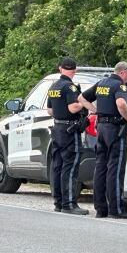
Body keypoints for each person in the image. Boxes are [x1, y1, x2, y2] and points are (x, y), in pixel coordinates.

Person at [78, 62, 127, 219]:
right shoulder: (119, 86)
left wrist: (96, 111)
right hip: (116, 130)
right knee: (115, 169)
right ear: (122, 72)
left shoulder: (101, 83)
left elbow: (81, 98)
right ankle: (115, 209)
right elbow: (121, 103)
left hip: (101, 129)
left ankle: (101, 209)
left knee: (101, 168)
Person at [46, 57, 89, 215]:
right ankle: (69, 204)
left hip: (57, 129)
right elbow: (73, 108)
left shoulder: (54, 86)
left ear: (60, 69)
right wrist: (86, 104)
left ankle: (58, 202)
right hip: (70, 131)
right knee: (70, 167)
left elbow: (49, 110)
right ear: (75, 70)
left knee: (57, 167)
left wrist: (60, 110)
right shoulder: (70, 87)